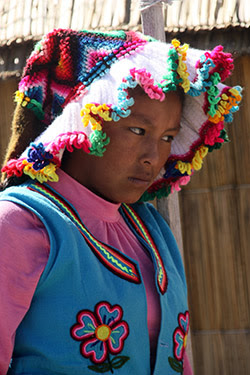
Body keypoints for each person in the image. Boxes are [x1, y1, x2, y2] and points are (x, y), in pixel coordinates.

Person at [0, 28, 242, 375]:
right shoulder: (22, 223)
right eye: (138, 130)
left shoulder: (153, 232)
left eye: (167, 137)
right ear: (87, 122)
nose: (153, 156)